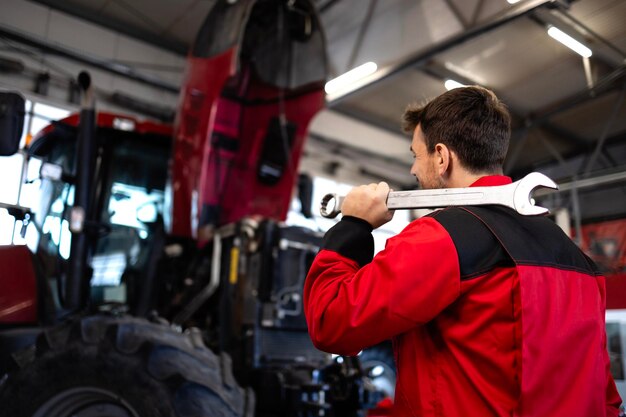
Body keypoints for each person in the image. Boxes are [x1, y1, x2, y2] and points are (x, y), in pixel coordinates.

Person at [303, 86, 622, 416]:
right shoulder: (575, 256)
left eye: (416, 155)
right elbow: (605, 397)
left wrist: (353, 227)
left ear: (441, 157)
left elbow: (332, 322)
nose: (413, 171)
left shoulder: (439, 238)